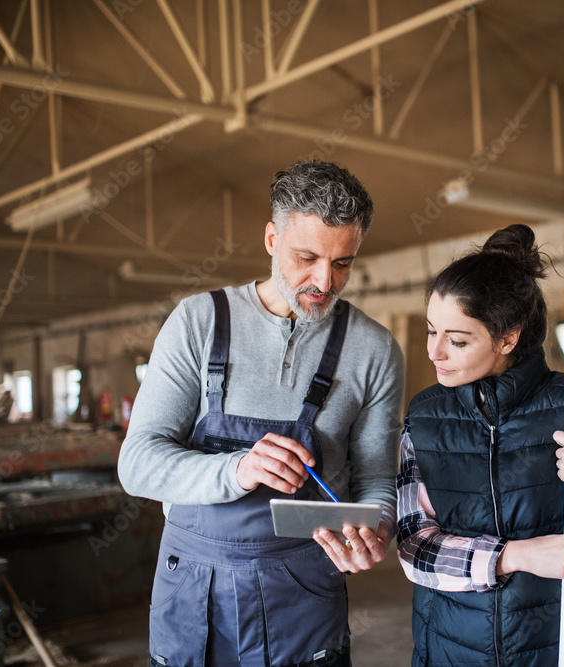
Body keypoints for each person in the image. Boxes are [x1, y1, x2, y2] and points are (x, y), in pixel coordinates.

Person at [119, 160, 405, 667]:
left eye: (343, 262)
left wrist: (376, 528)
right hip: (193, 589)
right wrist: (236, 469)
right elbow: (137, 464)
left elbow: (377, 477)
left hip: (304, 592)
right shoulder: (197, 322)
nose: (324, 280)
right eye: (307, 257)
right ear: (272, 239)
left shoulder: (374, 349)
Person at [396, 224, 564, 667]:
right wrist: (517, 556)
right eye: (430, 330)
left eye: (456, 340)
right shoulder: (423, 418)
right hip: (453, 649)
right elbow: (414, 548)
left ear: (507, 338)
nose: (434, 352)